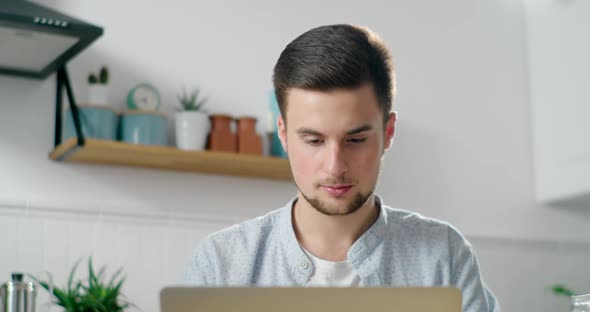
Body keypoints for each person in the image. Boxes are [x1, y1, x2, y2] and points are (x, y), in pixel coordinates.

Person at [183, 24, 499, 312]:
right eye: (314, 140)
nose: (335, 166)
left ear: (388, 133)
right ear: (284, 134)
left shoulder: (443, 256)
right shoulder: (220, 263)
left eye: (356, 139)